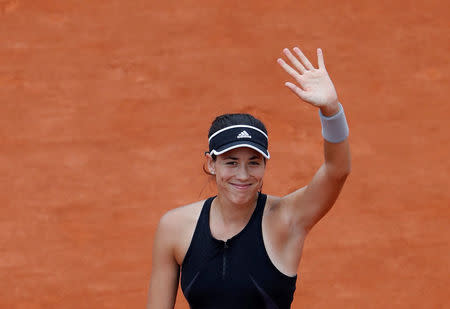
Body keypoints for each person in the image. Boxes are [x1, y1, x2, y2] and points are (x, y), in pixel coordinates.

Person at [147, 46, 351, 309]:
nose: (243, 175)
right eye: (231, 163)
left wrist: (332, 110)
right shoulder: (174, 228)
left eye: (253, 163)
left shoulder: (288, 219)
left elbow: (337, 170)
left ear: (265, 164)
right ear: (211, 163)